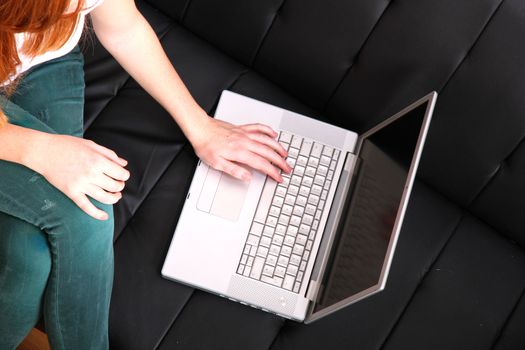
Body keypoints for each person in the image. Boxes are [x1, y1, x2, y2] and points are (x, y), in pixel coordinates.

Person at [0, 0, 291, 349]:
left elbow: (124, 28)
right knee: (88, 212)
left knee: (28, 257)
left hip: (44, 62)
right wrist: (38, 149)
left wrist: (201, 127)